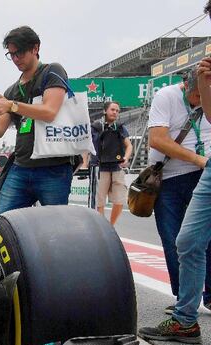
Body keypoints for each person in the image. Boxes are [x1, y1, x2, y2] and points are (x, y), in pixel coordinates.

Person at [0, 26, 73, 218]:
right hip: (21, 166)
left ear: (35, 48)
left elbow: (49, 111)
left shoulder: (52, 71)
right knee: (0, 223)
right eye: (11, 54)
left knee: (56, 228)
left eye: (19, 53)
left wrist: (12, 106)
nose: (15, 59)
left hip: (53, 167)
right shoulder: (12, 90)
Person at [146, 69, 211, 314]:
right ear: (186, 86)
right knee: (173, 238)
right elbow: (157, 139)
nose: (202, 102)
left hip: (203, 176)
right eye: (197, 96)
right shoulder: (166, 96)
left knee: (206, 238)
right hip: (170, 178)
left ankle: (209, 294)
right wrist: (197, 159)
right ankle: (183, 299)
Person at [90, 101, 133, 226]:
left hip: (117, 166)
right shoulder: (96, 126)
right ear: (105, 111)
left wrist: (126, 157)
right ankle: (102, 227)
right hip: (100, 167)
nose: (115, 112)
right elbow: (88, 145)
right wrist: (86, 162)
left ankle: (111, 226)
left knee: (119, 200)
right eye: (113, 109)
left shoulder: (120, 127)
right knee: (99, 202)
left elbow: (129, 145)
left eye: (117, 111)